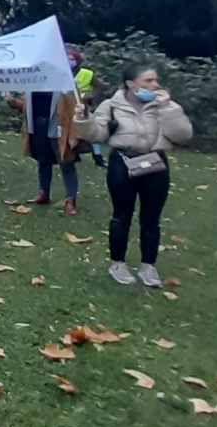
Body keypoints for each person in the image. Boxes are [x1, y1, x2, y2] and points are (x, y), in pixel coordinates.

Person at [74, 64, 194, 288]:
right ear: (131, 84)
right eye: (148, 81)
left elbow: (183, 135)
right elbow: (96, 134)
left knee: (152, 218)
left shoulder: (164, 106)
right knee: (122, 215)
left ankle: (149, 266)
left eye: (155, 80)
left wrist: (167, 107)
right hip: (123, 163)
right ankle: (118, 263)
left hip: (156, 164)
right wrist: (84, 120)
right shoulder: (111, 106)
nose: (155, 85)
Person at [8, 86, 84, 215]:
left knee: (66, 162)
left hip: (59, 129)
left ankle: (71, 200)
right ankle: (44, 193)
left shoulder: (64, 83)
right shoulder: (33, 82)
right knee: (42, 161)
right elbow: (26, 106)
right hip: (38, 127)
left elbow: (74, 108)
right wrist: (13, 102)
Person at [70, 47, 107, 168]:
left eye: (72, 59)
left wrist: (92, 98)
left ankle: (98, 157)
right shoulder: (63, 73)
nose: (69, 61)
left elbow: (101, 87)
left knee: (90, 132)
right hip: (68, 106)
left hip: (84, 106)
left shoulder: (87, 74)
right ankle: (73, 154)